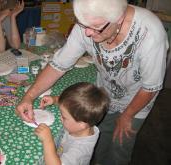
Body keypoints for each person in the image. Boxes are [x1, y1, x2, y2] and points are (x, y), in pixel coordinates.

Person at [16, 0, 169, 164]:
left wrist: (127, 115)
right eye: (82, 24)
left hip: (137, 101)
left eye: (96, 28)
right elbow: (58, 65)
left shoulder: (150, 33)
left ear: (119, 18)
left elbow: (150, 87)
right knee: (101, 140)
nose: (87, 33)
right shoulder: (88, 24)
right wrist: (29, 96)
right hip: (103, 95)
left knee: (119, 148)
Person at [34, 82, 109, 165]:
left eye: (64, 117)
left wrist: (48, 140)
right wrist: (55, 100)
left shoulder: (80, 150)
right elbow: (73, 105)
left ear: (82, 124)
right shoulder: (84, 121)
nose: (60, 118)